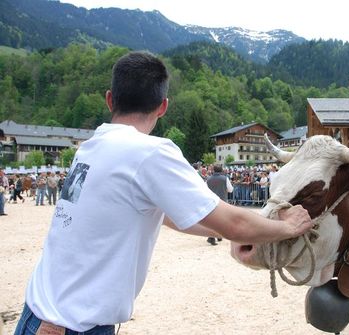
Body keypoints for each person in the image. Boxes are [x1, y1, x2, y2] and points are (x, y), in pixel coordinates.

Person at [14, 51, 312, 335]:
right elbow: (233, 222)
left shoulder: (90, 147)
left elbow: (166, 216)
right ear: (163, 106)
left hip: (38, 315)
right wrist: (286, 227)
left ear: (109, 100)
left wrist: (236, 232)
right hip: (72, 327)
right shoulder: (149, 152)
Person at [205, 164, 233, 245]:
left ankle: (217, 236)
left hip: (211, 201)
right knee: (222, 220)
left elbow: (205, 190)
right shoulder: (225, 179)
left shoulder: (208, 179)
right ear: (221, 170)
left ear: (213, 170)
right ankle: (213, 236)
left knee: (213, 220)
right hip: (222, 201)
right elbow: (231, 190)